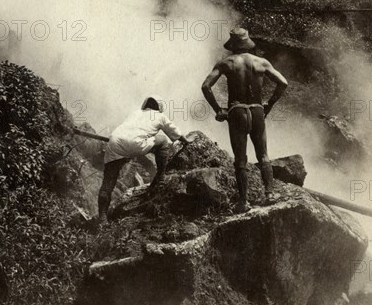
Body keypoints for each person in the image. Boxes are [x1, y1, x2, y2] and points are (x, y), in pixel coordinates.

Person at [201, 28, 288, 212]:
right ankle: (270, 194)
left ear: (232, 45)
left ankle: (243, 201)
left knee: (240, 159)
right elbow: (283, 83)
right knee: (263, 154)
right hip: (257, 110)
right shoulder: (261, 62)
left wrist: (218, 110)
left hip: (237, 111)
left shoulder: (227, 63)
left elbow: (206, 86)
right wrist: (270, 104)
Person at [97, 96, 190, 224]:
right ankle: (160, 177)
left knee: (108, 184)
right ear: (159, 108)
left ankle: (102, 218)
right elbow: (176, 133)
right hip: (136, 144)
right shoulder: (159, 116)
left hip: (114, 142)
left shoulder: (134, 113)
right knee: (163, 141)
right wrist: (187, 141)